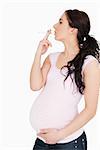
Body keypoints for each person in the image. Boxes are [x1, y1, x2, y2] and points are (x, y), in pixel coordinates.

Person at [29, 9, 100, 150]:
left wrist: (59, 135)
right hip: (42, 140)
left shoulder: (89, 63)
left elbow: (90, 110)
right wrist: (38, 53)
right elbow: (35, 85)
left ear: (73, 30)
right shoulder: (52, 58)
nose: (55, 26)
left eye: (60, 22)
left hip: (68, 143)